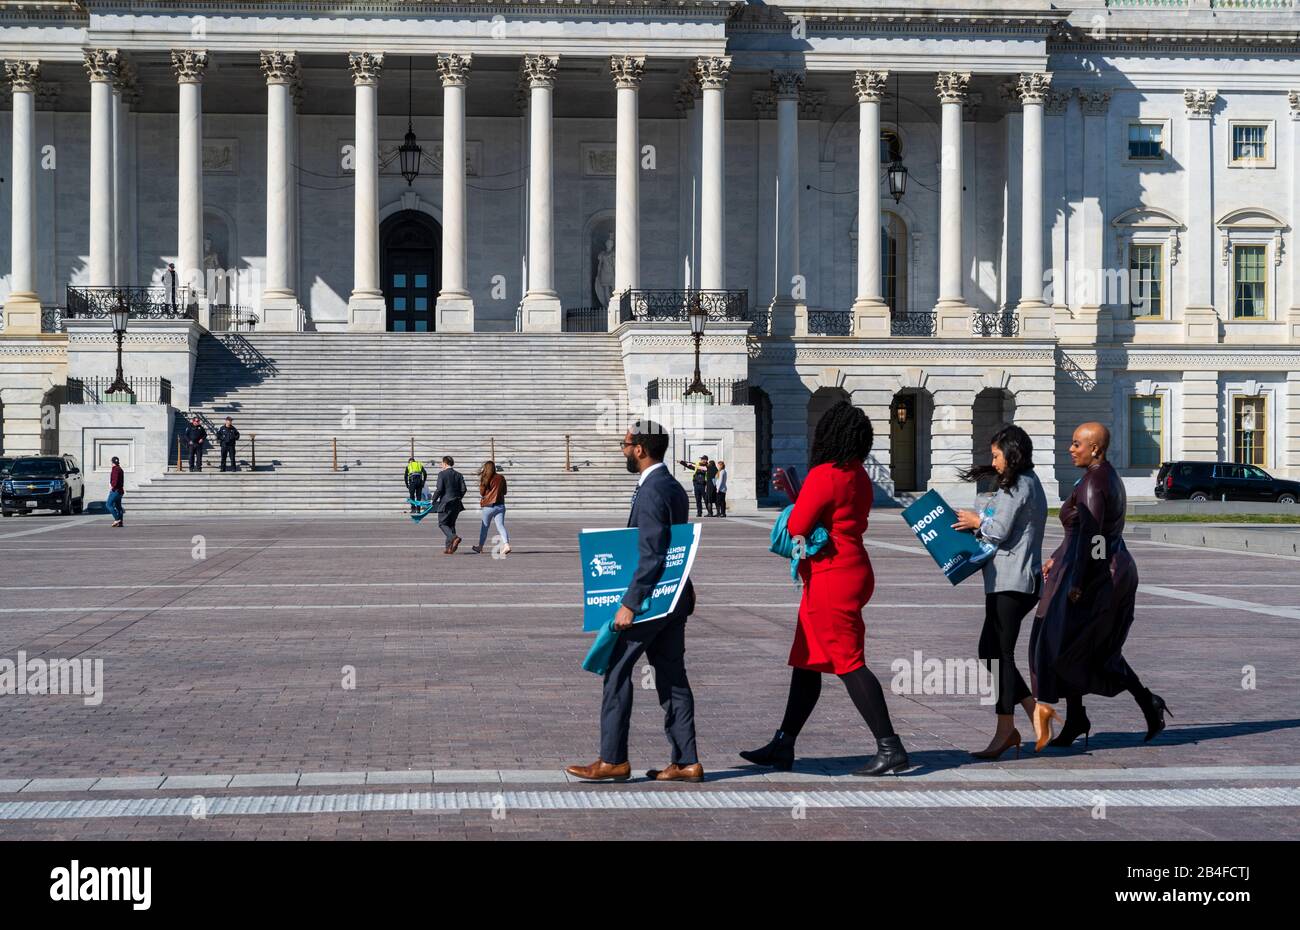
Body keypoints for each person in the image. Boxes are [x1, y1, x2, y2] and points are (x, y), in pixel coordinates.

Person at [740, 401, 909, 777]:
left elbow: (799, 522)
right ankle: (784, 743)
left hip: (830, 575)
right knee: (807, 660)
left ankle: (890, 746)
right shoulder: (859, 475)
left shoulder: (824, 474)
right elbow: (831, 515)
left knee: (849, 662)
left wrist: (796, 496)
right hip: (853, 568)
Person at [567, 419, 701, 783]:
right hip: (673, 597)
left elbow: (653, 552)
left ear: (640, 448)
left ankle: (613, 759)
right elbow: (676, 546)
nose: (624, 451)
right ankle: (687, 760)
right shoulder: (672, 485)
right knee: (672, 677)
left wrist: (630, 602)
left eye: (625, 445)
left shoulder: (653, 490)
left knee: (616, 669)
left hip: (651, 601)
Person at [1029, 422, 1170, 750]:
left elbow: (1093, 539)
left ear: (1096, 449)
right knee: (1071, 647)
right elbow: (1083, 533)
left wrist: (1078, 583)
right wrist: (1056, 557)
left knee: (1083, 649)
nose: (1071, 448)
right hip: (1098, 567)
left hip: (1098, 575)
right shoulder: (1100, 475)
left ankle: (1148, 701)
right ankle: (1078, 716)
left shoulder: (1094, 482)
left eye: (1077, 444)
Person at [951, 424, 1048, 759]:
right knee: (991, 650)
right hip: (1010, 580)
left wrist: (976, 521)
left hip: (1013, 580)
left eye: (996, 455)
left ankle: (1006, 730)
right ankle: (1036, 713)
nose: (993, 462)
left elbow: (998, 530)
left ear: (1011, 452)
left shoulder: (1019, 484)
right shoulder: (1025, 483)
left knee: (1000, 655)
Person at [471, 461, 511, 556]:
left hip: (488, 506)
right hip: (500, 505)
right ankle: (506, 545)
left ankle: (480, 547)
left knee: (484, 527)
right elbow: (505, 492)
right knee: (500, 526)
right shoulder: (501, 478)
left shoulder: (485, 478)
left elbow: (482, 493)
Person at [429, 456, 466, 554]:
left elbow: (439, 489)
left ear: (445, 464)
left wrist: (433, 500)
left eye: (441, 463)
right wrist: (458, 498)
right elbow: (464, 489)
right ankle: (449, 548)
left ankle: (454, 538)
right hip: (457, 503)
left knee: (442, 523)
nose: (441, 465)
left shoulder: (442, 474)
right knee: (451, 524)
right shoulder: (459, 474)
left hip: (446, 503)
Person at [106, 456, 125, 528]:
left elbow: (115, 480)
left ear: (112, 462)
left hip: (115, 490)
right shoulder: (120, 469)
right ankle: (120, 522)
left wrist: (112, 487)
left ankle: (117, 519)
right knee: (118, 507)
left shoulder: (115, 469)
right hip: (120, 490)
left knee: (108, 504)